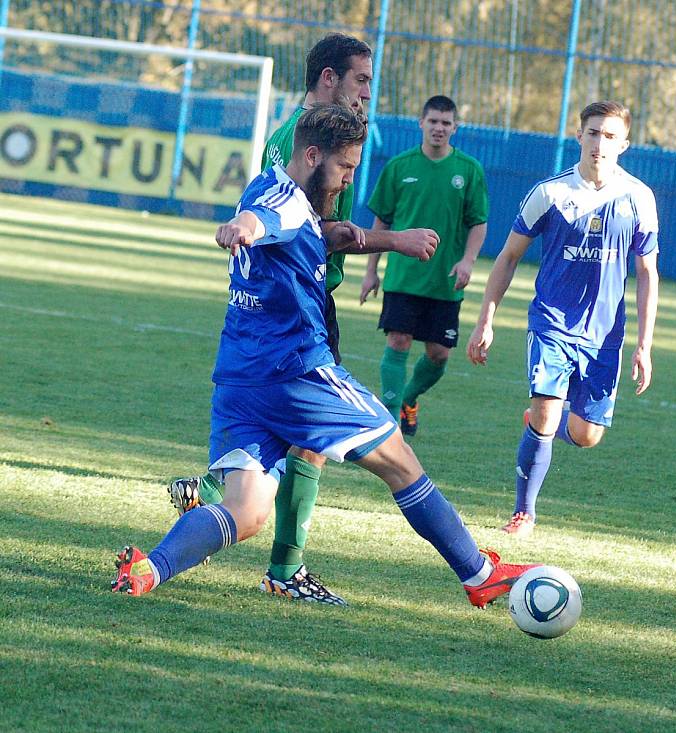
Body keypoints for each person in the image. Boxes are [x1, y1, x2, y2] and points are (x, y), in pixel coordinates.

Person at [111, 104, 538, 611]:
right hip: (296, 372)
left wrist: (376, 239)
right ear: (312, 155)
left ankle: (148, 569)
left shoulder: (269, 181)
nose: (346, 180)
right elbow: (264, 220)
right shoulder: (283, 204)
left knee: (245, 512)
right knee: (399, 460)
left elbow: (307, 228)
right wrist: (239, 228)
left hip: (240, 380)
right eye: (344, 169)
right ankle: (479, 573)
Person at [167, 34, 440, 606]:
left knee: (304, 443)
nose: (369, 90)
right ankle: (280, 564)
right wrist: (393, 241)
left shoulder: (335, 133)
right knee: (310, 438)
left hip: (310, 306)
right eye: (361, 79)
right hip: (290, 319)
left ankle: (224, 498)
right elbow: (298, 223)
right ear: (328, 79)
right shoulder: (298, 139)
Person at [466, 100, 659, 538]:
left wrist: (645, 346)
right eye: (593, 133)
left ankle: (538, 424)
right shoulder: (550, 193)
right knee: (549, 416)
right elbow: (509, 257)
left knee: (588, 434)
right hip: (552, 324)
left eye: (610, 136)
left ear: (624, 145)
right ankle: (524, 512)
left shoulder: (638, 198)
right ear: (579, 136)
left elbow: (648, 272)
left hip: (605, 336)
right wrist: (485, 321)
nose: (599, 143)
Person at [359, 95, 488, 436]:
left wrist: (467, 260)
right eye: (433, 121)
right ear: (421, 123)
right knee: (398, 341)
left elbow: (478, 222)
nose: (439, 128)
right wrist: (371, 271)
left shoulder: (468, 170)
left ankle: (407, 398)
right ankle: (388, 422)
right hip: (403, 276)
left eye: (446, 123)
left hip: (444, 281)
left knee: (439, 354)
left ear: (454, 128)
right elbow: (381, 221)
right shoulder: (400, 167)